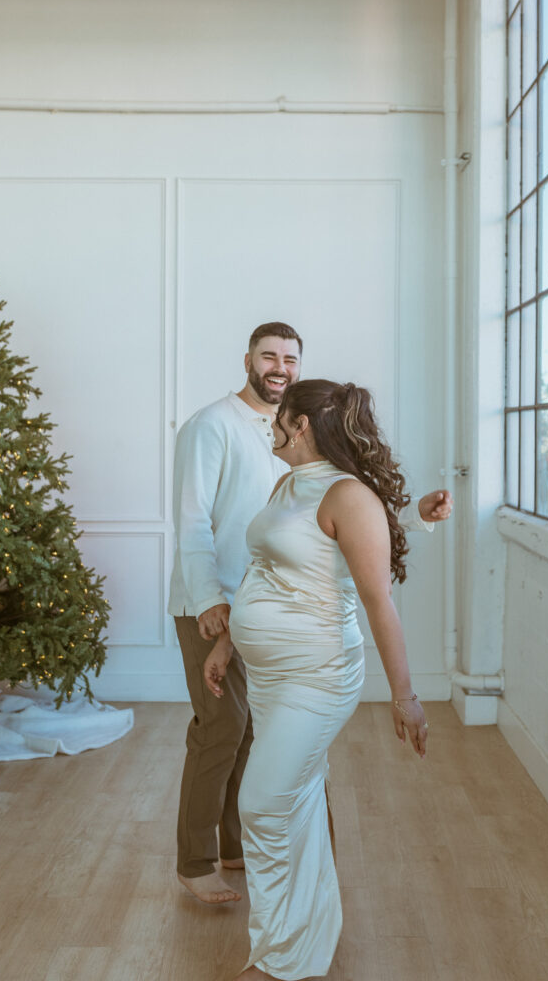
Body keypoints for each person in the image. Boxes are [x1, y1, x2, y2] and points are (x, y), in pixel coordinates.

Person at [168, 322, 452, 905]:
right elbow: (193, 522)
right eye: (269, 356)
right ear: (247, 359)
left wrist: (414, 514)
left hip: (289, 619)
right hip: (215, 603)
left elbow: (339, 517)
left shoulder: (305, 432)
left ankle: (250, 853)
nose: (280, 367)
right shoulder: (210, 426)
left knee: (266, 744)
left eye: (290, 358)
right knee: (223, 731)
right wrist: (212, 605)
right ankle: (197, 862)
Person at [203, 379, 431, 981]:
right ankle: (300, 948)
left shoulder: (347, 495)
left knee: (261, 803)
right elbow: (263, 571)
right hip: (272, 678)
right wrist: (229, 643)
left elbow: (380, 602)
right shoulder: (287, 484)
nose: (269, 424)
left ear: (300, 423)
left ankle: (279, 958)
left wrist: (405, 697)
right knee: (295, 807)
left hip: (318, 676)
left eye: (278, 417)